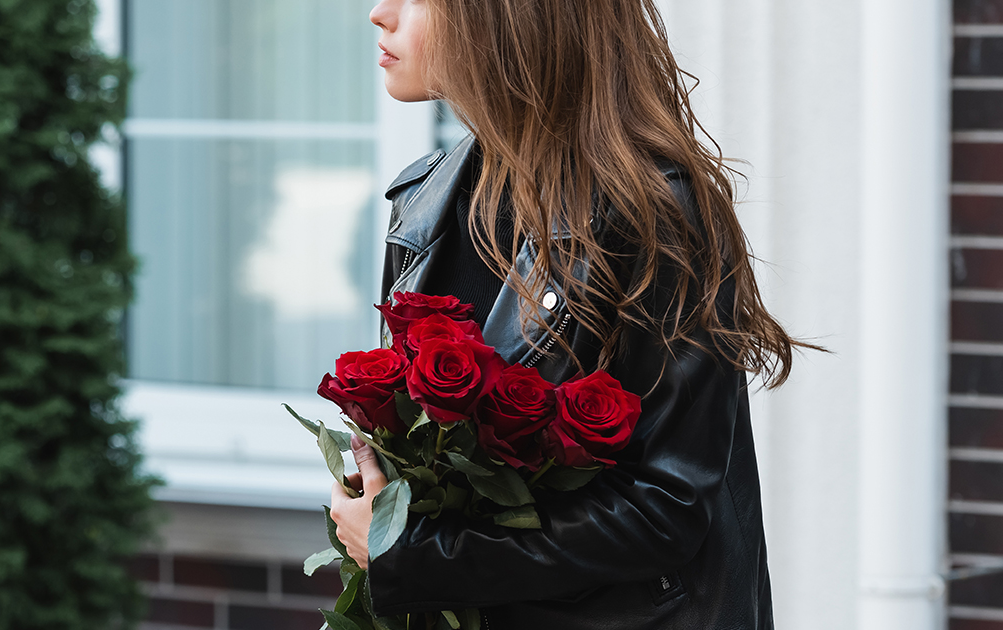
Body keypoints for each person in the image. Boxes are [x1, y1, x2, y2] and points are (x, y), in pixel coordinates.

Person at [330, 1, 813, 628]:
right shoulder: (421, 201)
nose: (380, 13)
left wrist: (419, 559)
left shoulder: (653, 216)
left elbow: (664, 508)